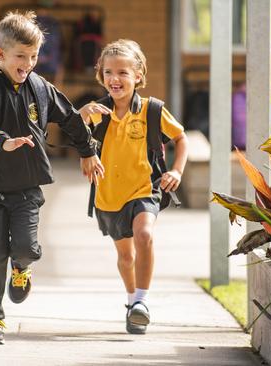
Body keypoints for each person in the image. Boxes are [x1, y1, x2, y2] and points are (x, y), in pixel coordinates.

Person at [0, 11, 104, 344]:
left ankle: (22, 268)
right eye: (20, 57)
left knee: (24, 247)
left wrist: (88, 150)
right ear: (1, 54)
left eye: (34, 56)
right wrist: (2, 141)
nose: (28, 63)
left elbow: (70, 119)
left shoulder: (40, 88)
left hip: (26, 186)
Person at [79, 40, 188, 334]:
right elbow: (75, 139)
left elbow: (181, 138)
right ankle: (131, 302)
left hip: (144, 188)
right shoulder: (95, 111)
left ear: (138, 75)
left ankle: (142, 301)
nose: (116, 79)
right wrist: (81, 125)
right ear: (100, 75)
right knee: (125, 257)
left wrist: (176, 170)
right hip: (108, 195)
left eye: (123, 73)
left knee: (144, 234)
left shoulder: (152, 110)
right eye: (109, 72)